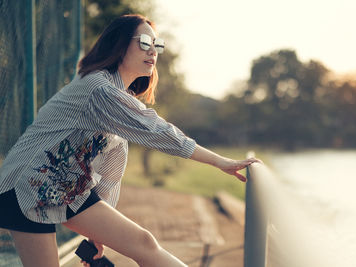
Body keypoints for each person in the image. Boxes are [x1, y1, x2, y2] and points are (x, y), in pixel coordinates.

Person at [0, 14, 259, 267]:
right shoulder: (99, 90)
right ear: (120, 45)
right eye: (144, 43)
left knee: (144, 243)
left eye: (157, 45)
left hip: (64, 189)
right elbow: (158, 131)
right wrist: (219, 161)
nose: (153, 51)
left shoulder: (115, 94)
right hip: (26, 186)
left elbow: (109, 169)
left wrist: (97, 233)